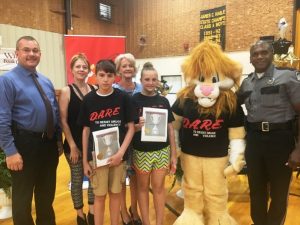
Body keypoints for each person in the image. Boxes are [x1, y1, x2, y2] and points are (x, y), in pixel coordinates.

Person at [0, 36, 62, 225]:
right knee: (22, 199)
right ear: (17, 53)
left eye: (35, 50)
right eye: (26, 50)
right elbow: (2, 118)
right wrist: (10, 151)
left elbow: (55, 112)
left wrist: (58, 141)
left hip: (48, 146)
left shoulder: (46, 81)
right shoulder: (7, 81)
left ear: (40, 54)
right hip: (24, 146)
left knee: (46, 196)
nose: (31, 54)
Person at [237, 40, 300, 225]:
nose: (259, 56)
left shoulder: (287, 77)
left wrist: (298, 149)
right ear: (250, 59)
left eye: (264, 52)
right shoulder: (246, 82)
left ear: (271, 54)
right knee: (256, 191)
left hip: (280, 140)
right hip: (255, 141)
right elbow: (230, 103)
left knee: (279, 194)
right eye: (255, 54)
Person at [78, 60, 135, 225]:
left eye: (109, 75)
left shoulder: (123, 98)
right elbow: (85, 130)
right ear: (95, 76)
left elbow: (131, 127)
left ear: (115, 77)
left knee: (116, 195)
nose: (105, 79)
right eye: (101, 75)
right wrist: (85, 161)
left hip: (118, 156)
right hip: (97, 157)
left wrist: (121, 154)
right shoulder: (88, 100)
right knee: (99, 196)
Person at [131, 62, 177, 225]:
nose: (150, 82)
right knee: (143, 189)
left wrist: (173, 154)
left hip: (162, 151)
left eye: (154, 79)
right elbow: (128, 128)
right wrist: (138, 127)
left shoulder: (164, 101)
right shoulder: (133, 100)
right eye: (147, 79)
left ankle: (159, 223)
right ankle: (146, 223)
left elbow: (170, 129)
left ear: (158, 81)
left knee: (158, 188)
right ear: (141, 80)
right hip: (141, 152)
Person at [59, 53, 96, 225]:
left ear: (88, 70)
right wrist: (73, 145)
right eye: (78, 66)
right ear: (72, 69)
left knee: (94, 178)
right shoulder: (67, 91)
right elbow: (63, 120)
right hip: (74, 146)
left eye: (84, 67)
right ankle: (80, 215)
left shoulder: (94, 90)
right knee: (77, 179)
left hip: (92, 145)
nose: (81, 69)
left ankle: (92, 212)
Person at [114, 53, 142, 225]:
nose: (127, 69)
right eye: (124, 66)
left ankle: (134, 209)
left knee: (135, 177)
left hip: (140, 140)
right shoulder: (114, 90)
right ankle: (123, 211)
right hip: (121, 140)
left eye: (130, 65)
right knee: (121, 177)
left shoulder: (141, 88)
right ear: (118, 69)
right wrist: (130, 126)